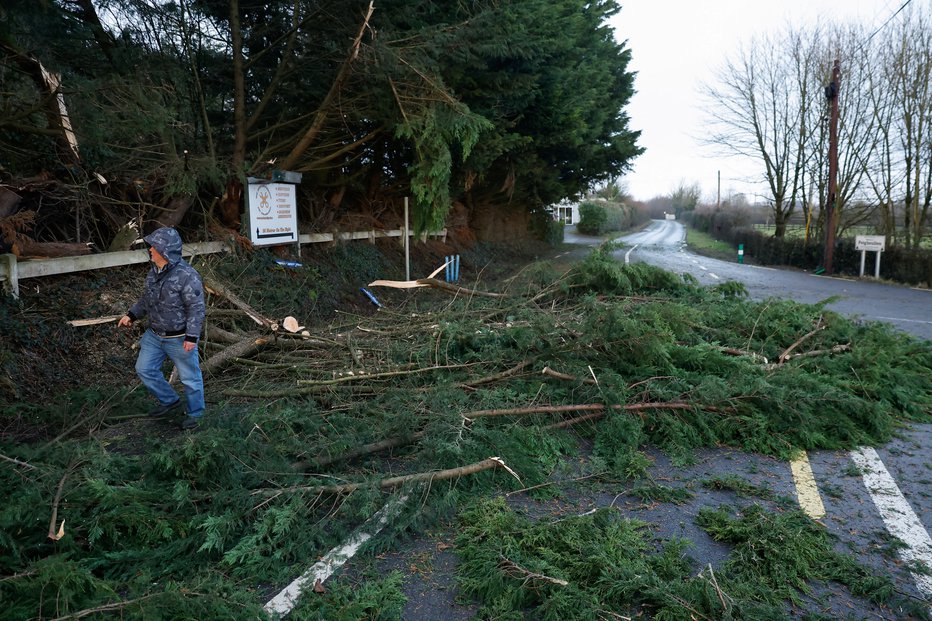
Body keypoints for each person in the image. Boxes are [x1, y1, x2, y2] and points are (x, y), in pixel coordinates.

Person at [118, 227, 206, 430]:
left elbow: (196, 308)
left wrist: (192, 337)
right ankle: (170, 401)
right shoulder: (153, 273)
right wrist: (131, 315)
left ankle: (197, 414)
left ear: (166, 250)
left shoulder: (187, 276)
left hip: (180, 337)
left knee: (190, 378)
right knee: (144, 369)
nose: (150, 250)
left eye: (154, 247)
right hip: (155, 335)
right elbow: (146, 299)